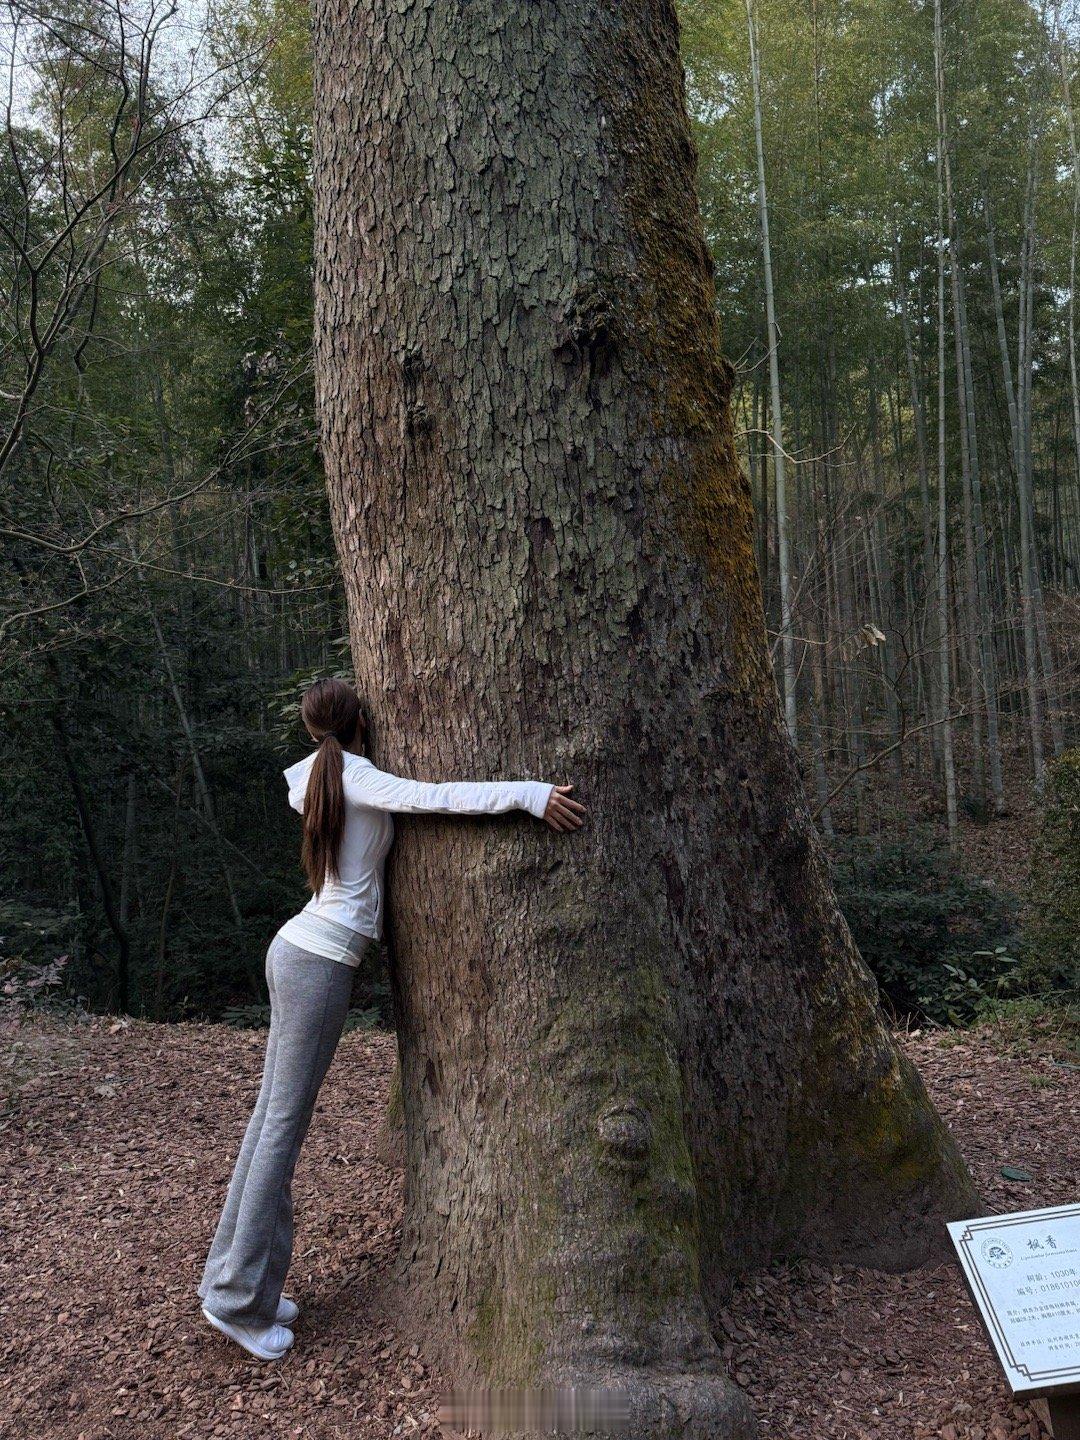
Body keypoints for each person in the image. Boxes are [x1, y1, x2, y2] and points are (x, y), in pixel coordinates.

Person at [198, 677, 585, 1361]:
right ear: (361, 724)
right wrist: (530, 795)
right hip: (316, 965)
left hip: (295, 951)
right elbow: (436, 798)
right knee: (279, 1129)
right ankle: (234, 1300)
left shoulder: (315, 778)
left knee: (270, 1123)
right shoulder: (358, 778)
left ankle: (244, 1287)